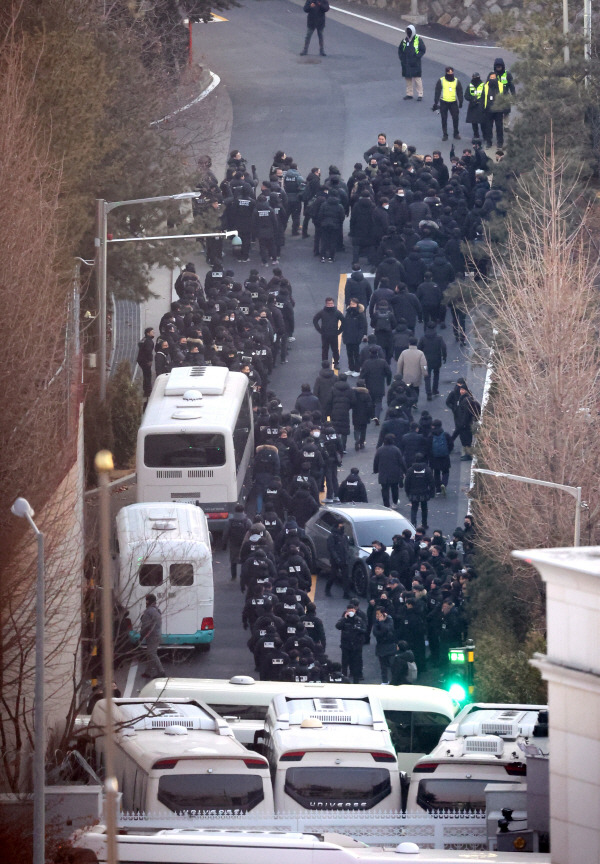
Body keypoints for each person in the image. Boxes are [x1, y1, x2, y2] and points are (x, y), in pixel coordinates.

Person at [373, 433, 406, 509]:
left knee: (384, 489)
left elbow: (376, 461)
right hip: (394, 472)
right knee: (394, 488)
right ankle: (395, 503)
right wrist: (405, 471)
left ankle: (386, 504)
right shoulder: (396, 450)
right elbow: (401, 461)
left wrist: (375, 470)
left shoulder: (380, 450)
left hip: (383, 473)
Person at [335, 603, 366, 683]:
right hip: (346, 645)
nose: (351, 612)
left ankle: (357, 677)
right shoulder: (344, 619)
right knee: (345, 662)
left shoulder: (359, 619)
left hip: (356, 645)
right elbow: (338, 626)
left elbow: (364, 630)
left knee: (356, 662)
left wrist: (358, 629)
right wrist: (344, 619)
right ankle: (344, 677)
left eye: (352, 610)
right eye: (349, 610)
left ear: (355, 611)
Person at [404, 452, 435, 528]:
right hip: (424, 492)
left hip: (413, 492)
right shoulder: (427, 470)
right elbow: (431, 482)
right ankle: (424, 523)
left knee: (414, 508)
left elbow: (407, 482)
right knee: (424, 508)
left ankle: (413, 524)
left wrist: (407, 492)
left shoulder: (410, 470)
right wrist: (432, 492)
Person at [418, 324, 447, 400]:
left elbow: (419, 349)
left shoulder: (423, 338)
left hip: (425, 361)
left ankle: (428, 393)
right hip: (436, 360)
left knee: (427, 377)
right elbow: (443, 348)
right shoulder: (439, 338)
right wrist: (444, 357)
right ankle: (435, 389)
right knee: (436, 374)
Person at [433, 66, 463, 141]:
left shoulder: (456, 81)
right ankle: (445, 134)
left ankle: (456, 133)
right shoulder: (441, 80)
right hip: (444, 102)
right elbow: (437, 92)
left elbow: (459, 91)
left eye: (451, 72)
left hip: (453, 102)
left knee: (456, 118)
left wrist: (461, 101)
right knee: (444, 118)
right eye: (449, 72)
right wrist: (436, 102)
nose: (450, 74)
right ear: (446, 72)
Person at [313, 297, 344, 367]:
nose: (330, 305)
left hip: (334, 335)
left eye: (331, 303)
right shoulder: (322, 312)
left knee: (335, 349)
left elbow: (344, 321)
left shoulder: (337, 312)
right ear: (326, 304)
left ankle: (336, 363)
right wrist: (319, 330)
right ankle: (325, 363)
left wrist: (339, 331)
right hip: (325, 335)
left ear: (333, 303)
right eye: (328, 303)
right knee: (325, 349)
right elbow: (315, 320)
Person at [140, 594, 165, 679]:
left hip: (151, 635)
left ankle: (161, 671)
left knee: (152, 653)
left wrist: (141, 636)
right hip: (156, 634)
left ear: (147, 601)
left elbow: (145, 626)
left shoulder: (148, 612)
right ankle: (148, 672)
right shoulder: (156, 610)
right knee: (150, 653)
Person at [398, 25, 426, 101]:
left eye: (409, 31)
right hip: (406, 63)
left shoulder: (418, 40)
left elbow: (423, 50)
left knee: (417, 79)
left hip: (415, 63)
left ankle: (420, 94)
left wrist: (417, 57)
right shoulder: (404, 40)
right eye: (407, 31)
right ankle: (409, 94)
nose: (408, 33)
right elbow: (400, 50)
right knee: (408, 79)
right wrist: (402, 59)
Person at [396, 337, 428, 403]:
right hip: (416, 375)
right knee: (416, 389)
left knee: (407, 389)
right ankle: (415, 402)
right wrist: (425, 372)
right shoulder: (420, 353)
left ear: (409, 343)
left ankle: (408, 401)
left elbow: (399, 363)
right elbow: (424, 365)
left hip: (406, 375)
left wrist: (399, 373)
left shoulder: (404, 353)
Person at [342, 298, 368, 375]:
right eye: (351, 304)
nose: (352, 305)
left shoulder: (360, 314)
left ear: (357, 304)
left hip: (355, 337)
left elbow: (363, 326)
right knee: (349, 354)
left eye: (353, 304)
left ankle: (357, 369)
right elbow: (345, 325)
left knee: (356, 354)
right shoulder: (348, 313)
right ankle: (351, 368)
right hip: (348, 337)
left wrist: (360, 337)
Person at [326, 521, 352, 598]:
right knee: (333, 575)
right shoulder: (332, 536)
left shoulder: (344, 536)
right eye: (341, 524)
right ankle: (327, 589)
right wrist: (336, 558)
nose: (343, 526)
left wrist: (347, 556)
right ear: (338, 525)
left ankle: (346, 593)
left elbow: (346, 547)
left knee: (346, 577)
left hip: (344, 559)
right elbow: (331, 548)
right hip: (336, 560)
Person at [372, 607, 398, 683]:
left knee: (392, 665)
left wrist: (381, 622)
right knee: (383, 667)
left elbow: (388, 629)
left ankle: (394, 681)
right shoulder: (376, 621)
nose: (377, 616)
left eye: (378, 614)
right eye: (376, 614)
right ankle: (385, 681)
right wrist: (383, 630)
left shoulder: (389, 619)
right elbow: (375, 633)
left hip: (390, 645)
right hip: (381, 646)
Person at [429, 419, 453, 497]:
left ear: (433, 426)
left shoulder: (431, 436)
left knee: (436, 473)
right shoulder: (445, 434)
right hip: (444, 456)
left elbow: (427, 447)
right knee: (446, 471)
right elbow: (451, 444)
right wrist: (448, 452)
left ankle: (438, 489)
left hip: (434, 457)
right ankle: (444, 484)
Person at [482, 72, 505, 148]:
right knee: (488, 127)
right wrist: (482, 109)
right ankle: (489, 142)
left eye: (494, 77)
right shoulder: (485, 86)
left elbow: (505, 97)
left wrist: (505, 108)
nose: (492, 79)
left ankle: (500, 142)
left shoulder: (501, 86)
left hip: (499, 110)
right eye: (491, 78)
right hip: (489, 110)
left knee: (499, 127)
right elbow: (482, 98)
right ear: (489, 78)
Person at [351, 378, 374, 450]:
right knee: (363, 429)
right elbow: (370, 406)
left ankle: (356, 440)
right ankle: (362, 442)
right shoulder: (367, 395)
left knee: (356, 429)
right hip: (365, 415)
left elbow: (352, 403)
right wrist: (371, 415)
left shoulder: (354, 394)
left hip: (356, 414)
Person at [464, 72, 485, 139]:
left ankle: (484, 135)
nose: (475, 79)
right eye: (474, 78)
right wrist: (472, 99)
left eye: (476, 78)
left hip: (481, 106)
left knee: (483, 122)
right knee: (474, 122)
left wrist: (481, 100)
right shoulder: (470, 86)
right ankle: (476, 135)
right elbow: (466, 96)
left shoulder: (483, 85)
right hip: (473, 106)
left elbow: (486, 95)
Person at [137, 327, 155, 399]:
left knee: (145, 374)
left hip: (140, 359)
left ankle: (146, 390)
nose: (153, 333)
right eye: (152, 332)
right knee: (148, 375)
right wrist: (150, 360)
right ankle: (148, 391)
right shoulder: (149, 341)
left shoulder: (143, 339)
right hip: (145, 360)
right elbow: (148, 352)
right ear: (148, 333)